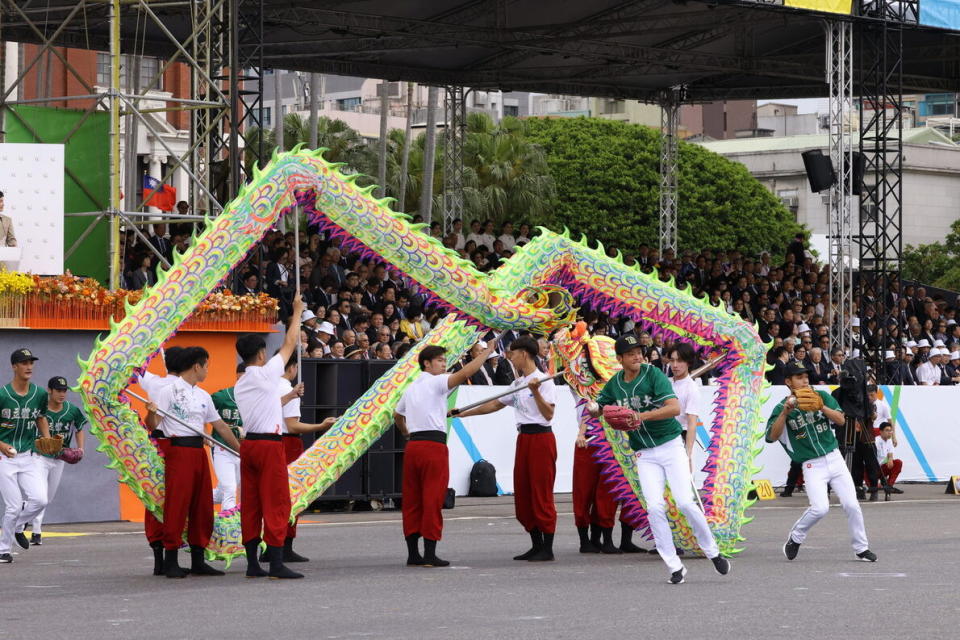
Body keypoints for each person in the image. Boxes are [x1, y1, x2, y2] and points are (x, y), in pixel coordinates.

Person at [590, 335, 729, 584]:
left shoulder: (652, 374)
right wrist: (594, 408)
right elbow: (601, 405)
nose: (637, 355)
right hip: (644, 453)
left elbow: (674, 408)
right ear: (619, 359)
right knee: (654, 508)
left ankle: (713, 551)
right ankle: (674, 567)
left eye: (639, 351)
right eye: (630, 353)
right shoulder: (615, 384)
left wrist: (640, 416)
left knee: (685, 502)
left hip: (670, 445)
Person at [395, 337, 500, 567]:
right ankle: (430, 553)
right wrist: (484, 354)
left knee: (412, 499)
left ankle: (413, 553)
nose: (444, 364)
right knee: (432, 498)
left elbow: (397, 416)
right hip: (433, 447)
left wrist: (406, 433)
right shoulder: (437, 382)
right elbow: (463, 374)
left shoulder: (411, 388)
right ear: (426, 364)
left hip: (414, 446)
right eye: (440, 360)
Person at [454, 336, 560, 563]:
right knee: (523, 492)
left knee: (541, 492)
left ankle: (547, 548)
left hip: (541, 439)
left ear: (523, 354)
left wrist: (537, 392)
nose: (508, 357)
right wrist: (464, 413)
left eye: (512, 353)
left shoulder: (544, 380)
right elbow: (494, 405)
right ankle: (536, 544)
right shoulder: (517, 383)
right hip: (524, 439)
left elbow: (548, 414)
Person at [766, 361, 876, 563]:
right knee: (820, 508)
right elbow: (772, 436)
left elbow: (841, 420)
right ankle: (796, 537)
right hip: (811, 464)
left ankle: (861, 548)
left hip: (834, 457)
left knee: (852, 505)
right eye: (799, 377)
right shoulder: (782, 407)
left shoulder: (821, 396)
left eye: (806, 376)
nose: (805, 380)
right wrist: (785, 413)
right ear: (788, 382)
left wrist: (822, 407)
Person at [146, 346, 241, 578]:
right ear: (197, 366)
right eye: (206, 365)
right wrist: (150, 413)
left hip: (199, 451)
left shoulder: (203, 395)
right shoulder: (168, 391)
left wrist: (240, 451)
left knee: (202, 505)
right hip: (178, 452)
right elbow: (154, 424)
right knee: (177, 504)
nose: (208, 370)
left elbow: (219, 426)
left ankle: (199, 559)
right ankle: (171, 560)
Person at [234, 294, 308, 579]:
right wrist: (297, 312)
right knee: (276, 502)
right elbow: (290, 344)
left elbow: (267, 407)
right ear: (261, 354)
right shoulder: (265, 376)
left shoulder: (241, 384)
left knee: (251, 503)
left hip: (249, 444)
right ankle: (276, 563)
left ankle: (253, 563)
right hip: (268, 445)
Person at [275, 353, 337, 564]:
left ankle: (271, 544)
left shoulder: (266, 386)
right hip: (288, 443)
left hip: (271, 441)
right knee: (292, 494)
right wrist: (320, 426)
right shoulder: (287, 390)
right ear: (292, 367)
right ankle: (285, 544)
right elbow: (292, 425)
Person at [19, 376, 87, 546]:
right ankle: (36, 531)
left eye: (64, 390)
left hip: (59, 457)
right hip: (39, 456)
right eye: (58, 390)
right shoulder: (40, 410)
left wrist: (80, 448)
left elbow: (79, 428)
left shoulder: (71, 410)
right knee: (40, 494)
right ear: (50, 390)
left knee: (47, 498)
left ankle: (25, 506)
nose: (62, 393)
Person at [0, 348, 52, 564]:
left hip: (28, 455)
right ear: (14, 366)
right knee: (12, 506)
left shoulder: (39, 394)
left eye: (31, 362)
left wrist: (47, 438)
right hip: (5, 458)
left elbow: (41, 417)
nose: (29, 366)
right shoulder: (3, 395)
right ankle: (3, 549)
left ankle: (20, 525)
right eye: (23, 362)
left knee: (40, 499)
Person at [136, 346, 185, 575]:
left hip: (155, 444)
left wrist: (148, 350)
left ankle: (159, 554)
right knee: (174, 498)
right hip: (172, 443)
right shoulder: (183, 388)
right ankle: (168, 552)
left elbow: (137, 370)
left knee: (155, 497)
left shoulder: (154, 383)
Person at [211, 368, 244, 512]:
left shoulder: (255, 398)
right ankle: (229, 527)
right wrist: (203, 431)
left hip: (242, 451)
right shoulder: (223, 396)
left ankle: (191, 501)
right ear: (238, 376)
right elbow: (202, 410)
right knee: (230, 490)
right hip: (222, 448)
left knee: (222, 492)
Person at [875, 422, 903, 496]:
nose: (890, 433)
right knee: (873, 489)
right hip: (872, 470)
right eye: (887, 430)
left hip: (881, 468)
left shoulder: (889, 441)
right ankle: (874, 485)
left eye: (890, 430)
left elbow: (890, 454)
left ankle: (889, 486)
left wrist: (890, 459)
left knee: (898, 462)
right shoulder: (876, 441)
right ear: (881, 432)